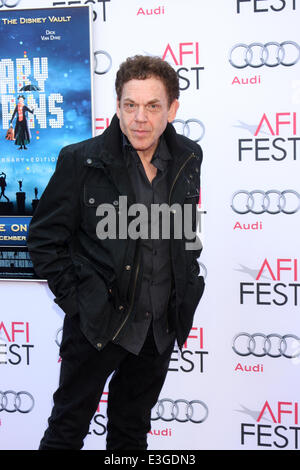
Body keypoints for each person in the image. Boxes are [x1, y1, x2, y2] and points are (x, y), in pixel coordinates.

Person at [27, 55, 205, 450]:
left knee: (131, 434)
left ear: (172, 109)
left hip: (157, 330)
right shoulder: (81, 160)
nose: (139, 118)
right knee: (67, 431)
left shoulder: (189, 157)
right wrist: (81, 301)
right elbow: (43, 239)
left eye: (153, 106)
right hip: (97, 328)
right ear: (119, 106)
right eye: (130, 105)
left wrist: (187, 282)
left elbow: (186, 231)